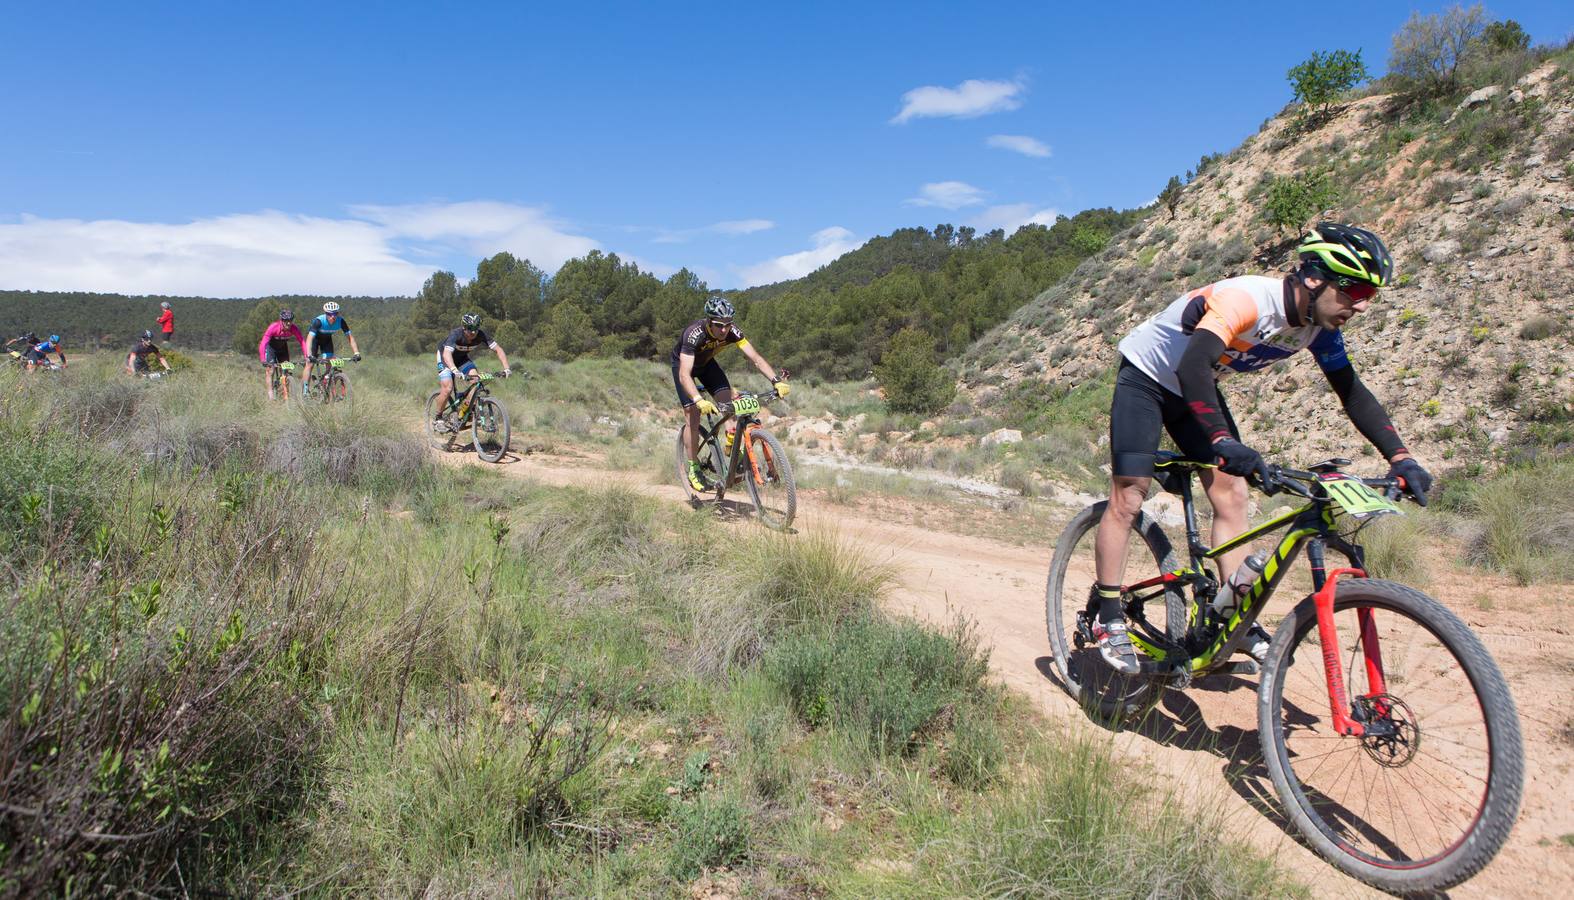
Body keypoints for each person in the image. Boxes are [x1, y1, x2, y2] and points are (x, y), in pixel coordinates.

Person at [1089, 223, 1432, 674]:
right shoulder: (1247, 300)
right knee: (1130, 494)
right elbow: (1195, 363)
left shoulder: (1317, 328)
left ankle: (1231, 618)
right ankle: (1108, 612)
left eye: (1369, 294)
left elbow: (1351, 391)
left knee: (1232, 493)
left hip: (1195, 386)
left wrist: (1401, 457)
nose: (1361, 304)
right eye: (1355, 290)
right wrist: (1222, 440)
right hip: (1149, 378)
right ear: (1314, 278)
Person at [671, 295, 788, 492]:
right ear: (709, 321)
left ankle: (730, 446)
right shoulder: (694, 334)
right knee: (693, 412)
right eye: (719, 325)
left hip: (707, 365)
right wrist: (698, 399)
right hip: (684, 367)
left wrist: (776, 380)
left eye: (728, 324)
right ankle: (693, 467)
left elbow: (755, 358)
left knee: (729, 402)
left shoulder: (732, 331)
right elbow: (684, 374)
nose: (724, 330)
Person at [431, 313, 510, 431]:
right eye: (470, 329)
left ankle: (464, 412)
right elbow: (447, 354)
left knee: (476, 381)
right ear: (464, 327)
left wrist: (506, 368)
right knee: (448, 388)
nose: (473, 332)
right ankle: (438, 418)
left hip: (462, 359)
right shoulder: (456, 334)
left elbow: (498, 349)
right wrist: (454, 370)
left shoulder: (481, 335)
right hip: (445, 358)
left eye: (476, 329)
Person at [301, 301, 361, 395]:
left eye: (335, 314)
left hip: (327, 340)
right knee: (310, 364)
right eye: (329, 314)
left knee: (329, 363)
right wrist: (309, 355)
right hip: (315, 340)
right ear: (326, 313)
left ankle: (324, 384)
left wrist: (356, 353)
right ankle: (305, 390)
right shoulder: (318, 321)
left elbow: (350, 337)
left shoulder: (341, 321)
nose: (333, 316)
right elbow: (309, 339)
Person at [257, 309, 308, 401]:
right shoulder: (273, 327)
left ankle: (284, 391)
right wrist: (263, 359)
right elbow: (264, 343)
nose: (288, 323)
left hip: (282, 349)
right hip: (271, 349)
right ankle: (271, 396)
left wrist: (306, 356)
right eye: (286, 321)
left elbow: (301, 341)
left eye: (290, 321)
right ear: (281, 320)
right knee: (270, 371)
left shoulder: (294, 328)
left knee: (285, 370)